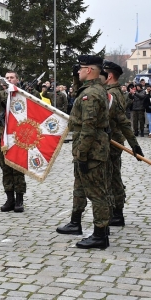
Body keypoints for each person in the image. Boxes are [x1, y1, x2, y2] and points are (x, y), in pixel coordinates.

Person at [56, 55, 110, 249]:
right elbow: (76, 91)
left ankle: (100, 235)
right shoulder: (90, 90)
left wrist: (82, 153)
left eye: (80, 69)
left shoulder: (92, 94)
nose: (78, 71)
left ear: (89, 70)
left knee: (97, 192)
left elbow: (89, 126)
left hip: (91, 149)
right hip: (86, 147)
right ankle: (76, 222)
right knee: (80, 187)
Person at [102, 61, 144, 227]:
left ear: (109, 75)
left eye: (103, 73)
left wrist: (134, 144)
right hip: (113, 139)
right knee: (112, 176)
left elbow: (122, 120)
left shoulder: (112, 94)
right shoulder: (114, 91)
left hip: (112, 142)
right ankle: (115, 211)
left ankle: (117, 212)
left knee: (112, 177)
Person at [0, 71, 27, 213]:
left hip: (17, 135)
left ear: (17, 80)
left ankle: (19, 199)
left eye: (11, 78)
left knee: (17, 167)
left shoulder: (23, 95)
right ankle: (9, 198)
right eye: (6, 78)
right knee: (5, 167)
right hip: (1, 135)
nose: (8, 80)